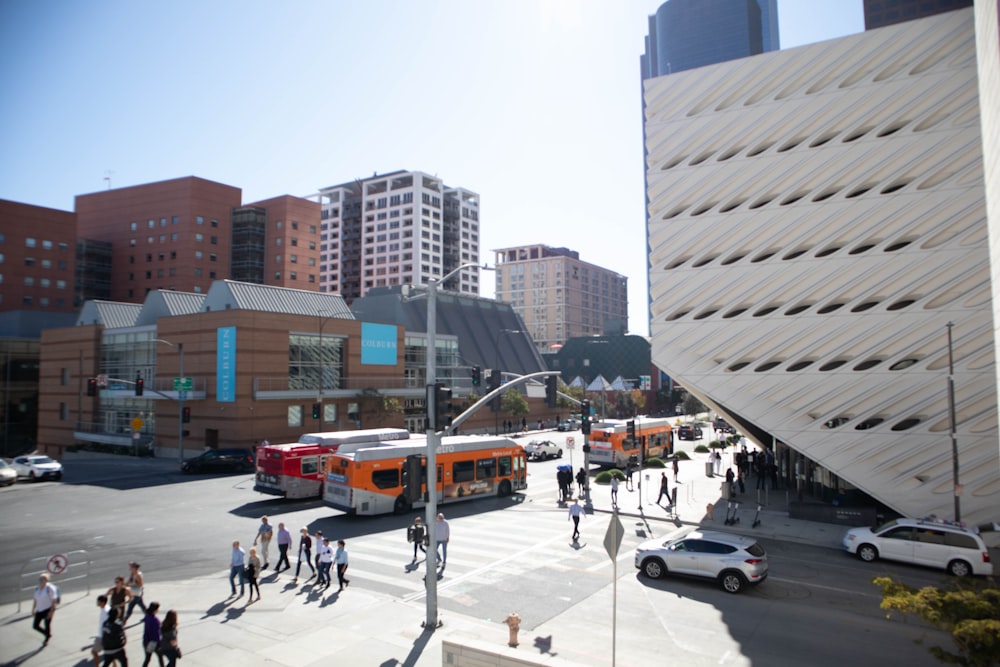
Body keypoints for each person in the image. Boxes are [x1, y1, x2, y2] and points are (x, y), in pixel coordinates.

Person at [31, 572, 58, 646]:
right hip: (39, 610)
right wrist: (33, 609)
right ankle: (47, 634)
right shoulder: (37, 589)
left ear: (47, 580)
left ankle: (46, 639)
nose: (41, 580)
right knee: (35, 626)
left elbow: (54, 600)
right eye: (40, 579)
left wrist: (51, 611)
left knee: (47, 624)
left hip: (47, 609)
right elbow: (35, 600)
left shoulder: (50, 589)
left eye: (43, 579)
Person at [141, 602, 163, 667]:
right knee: (160, 657)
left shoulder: (147, 616)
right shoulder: (155, 620)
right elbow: (157, 633)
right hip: (154, 642)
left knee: (147, 658)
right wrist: (159, 643)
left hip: (146, 641)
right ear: (155, 610)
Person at [92, 594, 110, 667]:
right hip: (102, 635)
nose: (97, 602)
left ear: (102, 602)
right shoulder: (106, 608)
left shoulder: (106, 611)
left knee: (94, 652)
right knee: (108, 652)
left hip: (102, 636)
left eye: (98, 601)